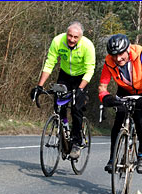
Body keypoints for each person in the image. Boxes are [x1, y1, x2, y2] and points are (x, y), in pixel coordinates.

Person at [31, 21, 95, 159]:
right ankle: (64, 128)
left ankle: (77, 141)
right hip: (65, 75)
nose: (71, 39)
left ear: (81, 37)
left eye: (75, 37)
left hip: (81, 77)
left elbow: (90, 69)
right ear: (66, 34)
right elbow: (50, 63)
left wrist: (80, 89)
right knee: (59, 106)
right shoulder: (58, 41)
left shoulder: (88, 46)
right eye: (69, 35)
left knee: (77, 108)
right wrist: (40, 86)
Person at [98, 33, 142, 174]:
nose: (118, 59)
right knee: (118, 122)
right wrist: (106, 98)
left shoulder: (140, 53)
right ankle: (113, 158)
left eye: (121, 54)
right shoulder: (109, 61)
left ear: (127, 49)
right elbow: (102, 87)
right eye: (114, 55)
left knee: (140, 120)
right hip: (125, 90)